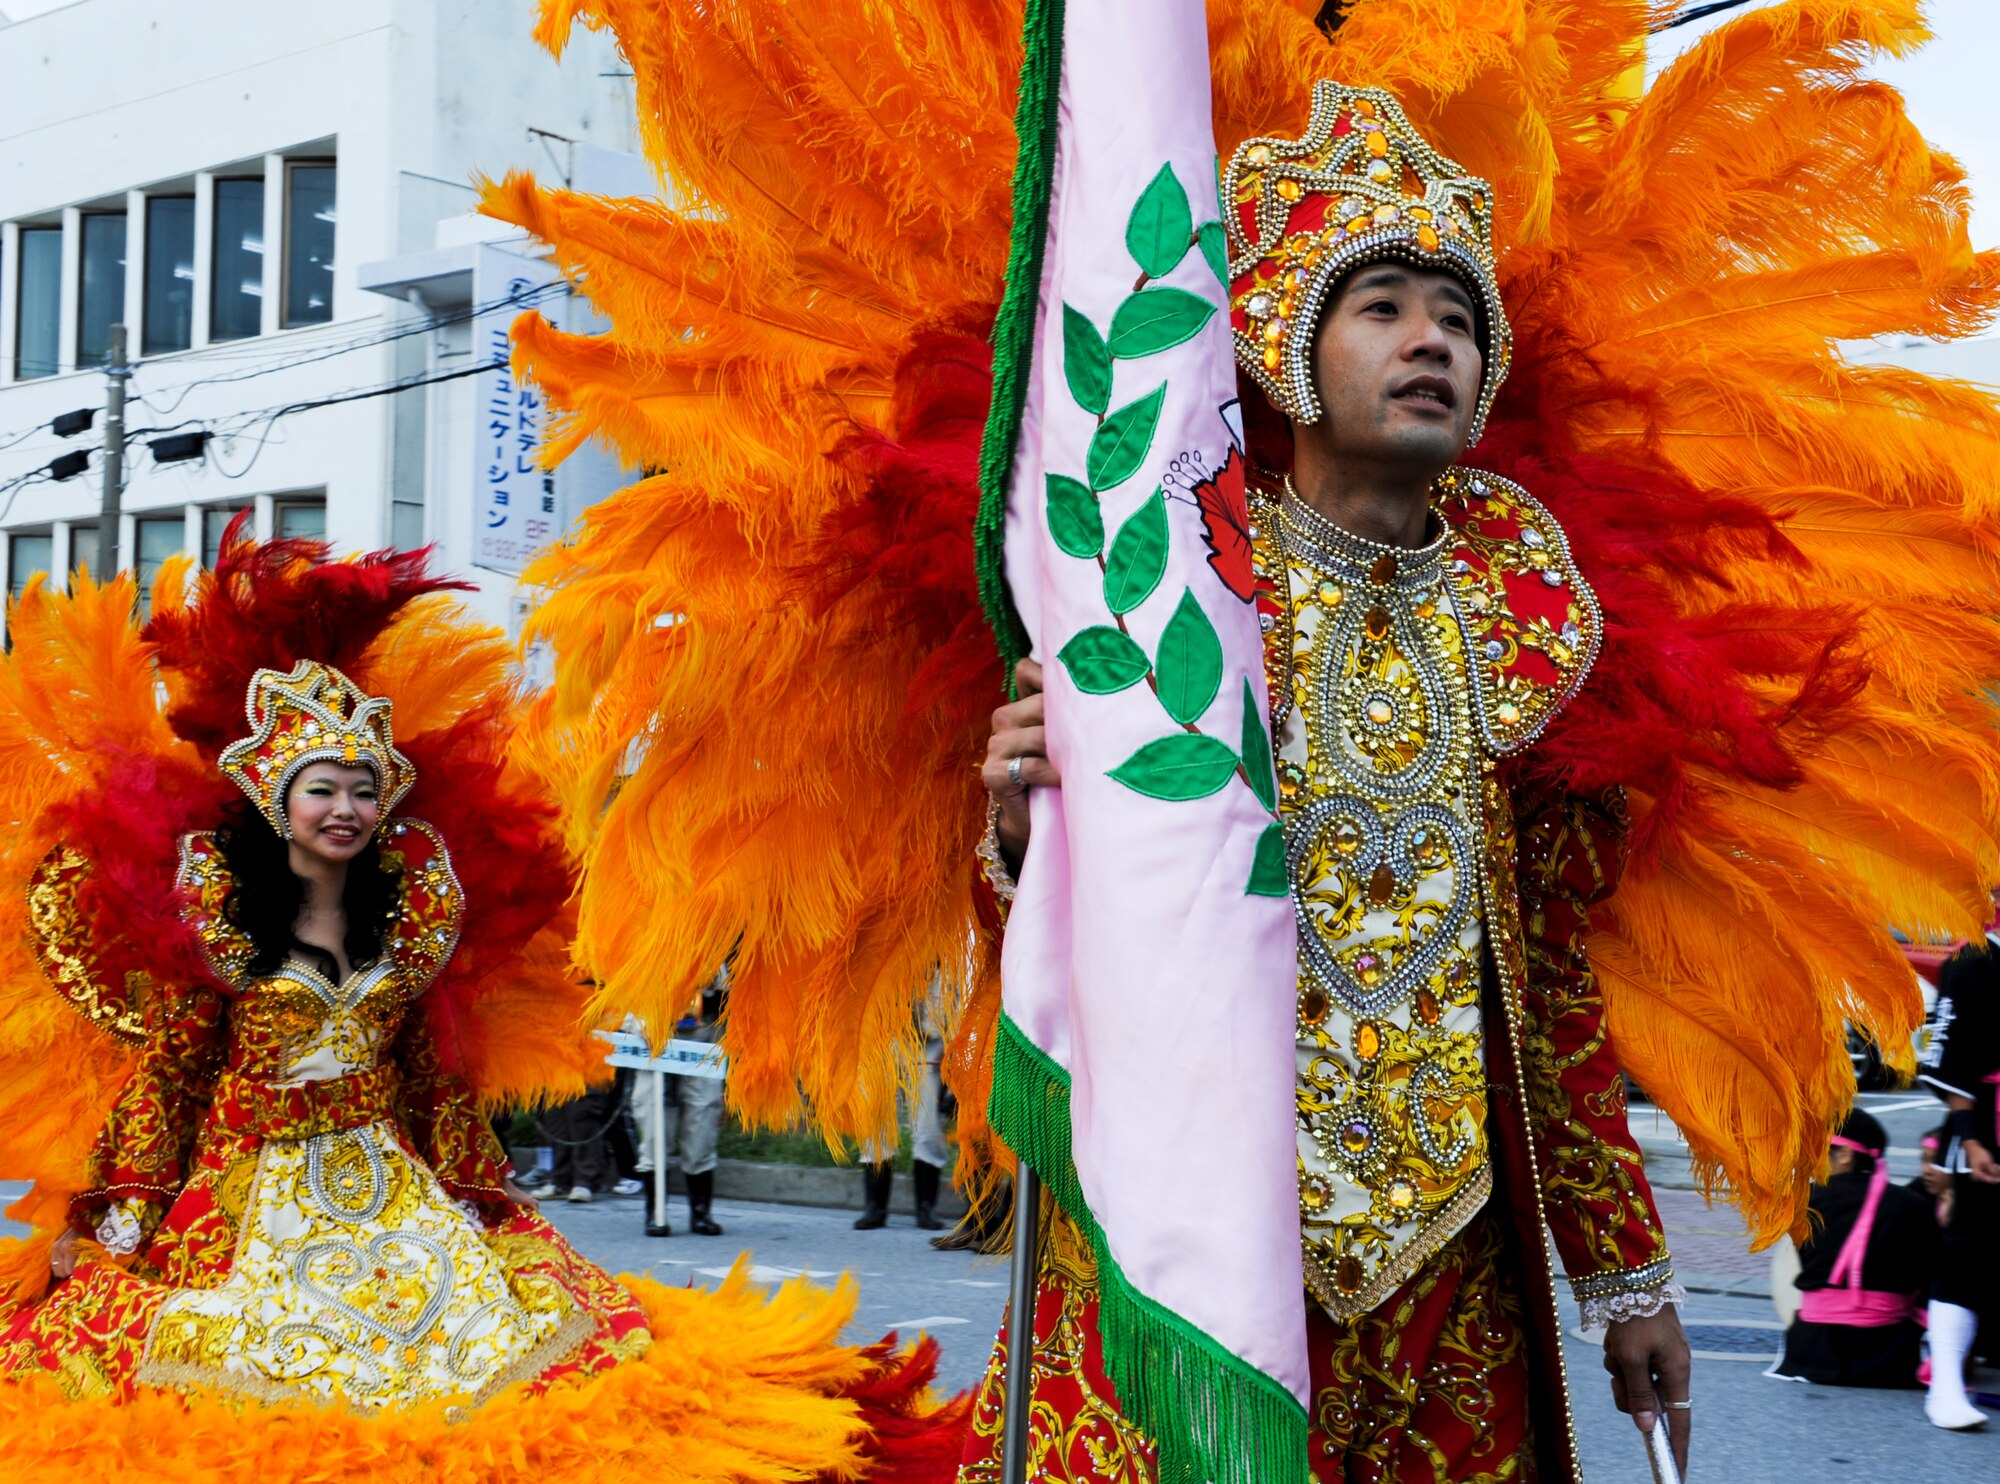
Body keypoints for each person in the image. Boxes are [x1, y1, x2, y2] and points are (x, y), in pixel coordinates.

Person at [966, 81, 1690, 1482]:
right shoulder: (1168, 592)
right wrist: (1017, 832)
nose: (1431, 339)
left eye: (1459, 316)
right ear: (1284, 338)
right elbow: (1057, 963)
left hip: (1444, 1272)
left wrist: (1630, 1275)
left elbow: (1547, 992)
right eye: (1383, 305)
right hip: (1186, 1244)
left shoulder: (1517, 626)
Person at [0, 528, 964, 1480]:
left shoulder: (412, 915)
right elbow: (172, 1078)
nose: (345, 809)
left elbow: (425, 1072)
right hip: (244, 1186)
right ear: (274, 802)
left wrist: (475, 1186)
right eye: (321, 790)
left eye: (363, 791)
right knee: (236, 1374)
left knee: (495, 1348)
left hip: (388, 1179)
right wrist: (124, 1217)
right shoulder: (217, 921)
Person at [1771, 1109, 1937, 1389]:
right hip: (1887, 1353)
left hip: (1811, 1351)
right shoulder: (1913, 1205)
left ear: (1845, 1154)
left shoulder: (1800, 1203)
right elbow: (1927, 1279)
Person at [1918, 926, 2000, 1429]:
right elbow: (1950, 1055)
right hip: (1985, 1129)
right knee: (1970, 1255)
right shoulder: (1972, 961)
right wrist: (1970, 1137)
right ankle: (1945, 1386)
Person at [857, 982, 950, 1232]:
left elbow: (957, 999)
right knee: (876, 1126)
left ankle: (926, 1207)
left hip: (929, 1046)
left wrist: (951, 1044)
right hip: (882, 1042)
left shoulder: (945, 954)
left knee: (929, 1128)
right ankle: (875, 1207)